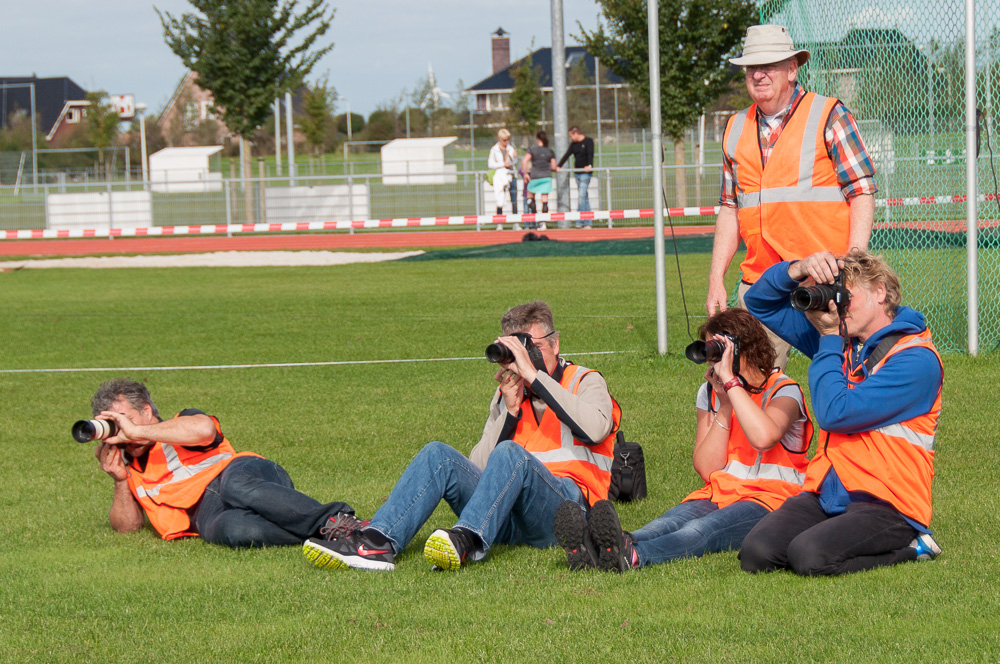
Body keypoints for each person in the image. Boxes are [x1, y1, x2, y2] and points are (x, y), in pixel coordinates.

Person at [302, 301, 621, 572]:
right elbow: (479, 470)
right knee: (437, 453)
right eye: (519, 352)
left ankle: (464, 539)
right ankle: (376, 542)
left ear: (555, 343)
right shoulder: (509, 394)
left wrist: (536, 380)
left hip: (565, 512)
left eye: (534, 348)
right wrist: (509, 413)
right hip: (506, 515)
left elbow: (595, 429)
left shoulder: (585, 380)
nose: (528, 359)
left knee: (511, 453)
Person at [553, 308, 812, 572]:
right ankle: (598, 549)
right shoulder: (711, 393)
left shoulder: (784, 390)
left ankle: (633, 556)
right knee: (665, 523)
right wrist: (724, 405)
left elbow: (764, 438)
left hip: (771, 499)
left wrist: (733, 386)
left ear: (742, 348)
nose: (712, 361)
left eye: (718, 350)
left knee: (701, 530)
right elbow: (707, 468)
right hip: (719, 491)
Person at [738, 249, 943, 576]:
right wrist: (799, 267)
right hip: (830, 492)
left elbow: (835, 413)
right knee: (756, 553)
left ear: (880, 292)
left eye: (848, 296)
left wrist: (829, 339)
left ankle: (913, 548)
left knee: (809, 557)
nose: (839, 306)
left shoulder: (916, 360)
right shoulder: (845, 342)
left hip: (888, 501)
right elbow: (760, 301)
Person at [706, 24, 878, 371]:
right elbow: (730, 208)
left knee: (849, 378)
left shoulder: (829, 115)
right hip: (760, 287)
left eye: (769, 65)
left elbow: (861, 190)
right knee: (749, 385)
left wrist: (854, 265)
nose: (758, 74)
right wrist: (715, 279)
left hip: (825, 281)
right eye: (752, 67)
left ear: (791, 69)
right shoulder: (735, 127)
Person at [90, 378, 359, 548]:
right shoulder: (127, 464)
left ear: (146, 411)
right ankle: (324, 539)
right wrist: (121, 481)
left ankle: (339, 521)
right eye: (115, 424)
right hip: (206, 513)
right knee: (234, 529)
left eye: (126, 419)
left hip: (244, 476)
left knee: (235, 486)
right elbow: (127, 528)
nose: (124, 429)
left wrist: (138, 432)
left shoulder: (179, 423)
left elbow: (204, 430)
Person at [557, 126, 595, 222]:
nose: (571, 138)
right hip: (577, 174)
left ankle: (580, 220)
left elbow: (590, 154)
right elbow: (567, 154)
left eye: (571, 136)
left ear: (576, 133)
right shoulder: (574, 145)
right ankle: (588, 221)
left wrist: (589, 165)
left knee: (581, 196)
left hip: (585, 174)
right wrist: (559, 166)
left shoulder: (588, 141)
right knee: (584, 197)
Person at [521, 130, 558, 230]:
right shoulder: (550, 151)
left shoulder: (533, 149)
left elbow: (524, 161)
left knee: (529, 197)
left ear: (538, 139)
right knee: (544, 200)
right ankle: (543, 223)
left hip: (535, 176)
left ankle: (536, 217)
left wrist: (525, 173)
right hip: (546, 176)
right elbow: (554, 166)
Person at [487, 128, 518, 227]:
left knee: (514, 199)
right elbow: (490, 164)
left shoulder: (511, 148)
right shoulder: (494, 149)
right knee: (500, 198)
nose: (506, 142)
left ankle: (515, 223)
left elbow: (514, 162)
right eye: (504, 140)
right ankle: (499, 223)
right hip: (500, 177)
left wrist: (514, 158)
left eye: (507, 139)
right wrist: (502, 164)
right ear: (499, 139)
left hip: (511, 176)